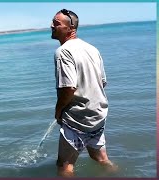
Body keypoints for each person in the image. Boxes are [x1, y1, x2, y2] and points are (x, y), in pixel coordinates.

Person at [50, 9, 117, 177]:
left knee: (65, 167)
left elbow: (68, 89)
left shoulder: (63, 52)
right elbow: (103, 82)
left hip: (77, 119)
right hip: (98, 116)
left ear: (70, 28)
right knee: (100, 158)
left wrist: (58, 112)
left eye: (56, 23)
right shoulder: (92, 49)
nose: (51, 26)